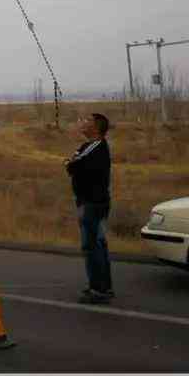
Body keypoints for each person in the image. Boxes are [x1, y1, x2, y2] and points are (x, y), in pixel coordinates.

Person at [65, 113, 114, 304]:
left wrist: (70, 164)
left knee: (92, 245)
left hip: (92, 203)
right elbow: (74, 164)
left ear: (96, 127)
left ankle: (98, 289)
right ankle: (103, 286)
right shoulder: (88, 147)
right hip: (92, 202)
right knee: (98, 244)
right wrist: (72, 164)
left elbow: (73, 165)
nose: (82, 123)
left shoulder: (96, 145)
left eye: (87, 121)